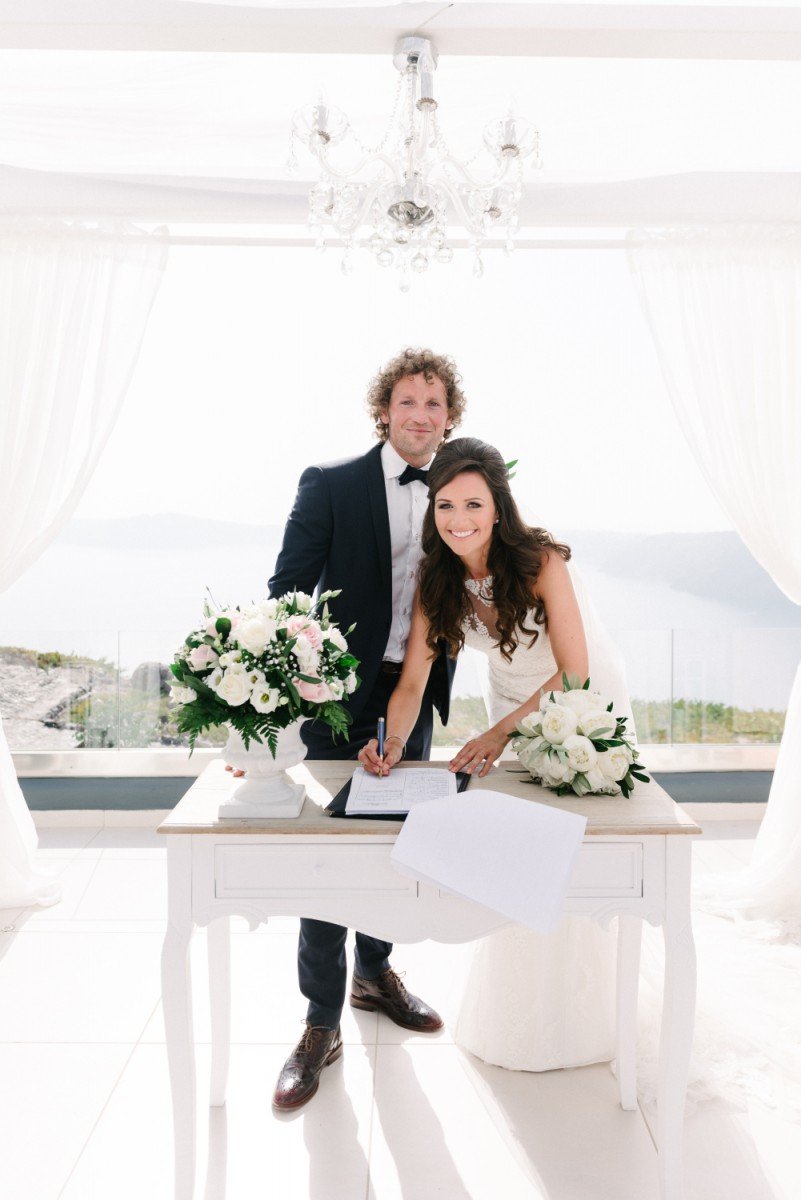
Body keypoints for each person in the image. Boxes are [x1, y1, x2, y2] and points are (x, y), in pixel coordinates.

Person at [359, 436, 625, 1071]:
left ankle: (590, 1017)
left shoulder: (541, 562)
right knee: (526, 849)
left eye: (473, 504)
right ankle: (525, 1018)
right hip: (509, 704)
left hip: (574, 703)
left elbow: (574, 671)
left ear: (499, 506)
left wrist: (499, 734)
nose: (459, 520)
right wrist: (391, 745)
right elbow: (413, 683)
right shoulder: (437, 577)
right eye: (445, 506)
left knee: (578, 850)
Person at [266, 348, 464, 1109]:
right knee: (327, 855)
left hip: (415, 687)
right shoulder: (331, 482)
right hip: (335, 694)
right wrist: (302, 684)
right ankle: (320, 1021)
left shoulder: (460, 489)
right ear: (384, 411)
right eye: (407, 401)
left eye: (434, 404)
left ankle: (374, 975)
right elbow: (287, 590)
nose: (420, 415)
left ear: (449, 417)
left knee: (398, 842)